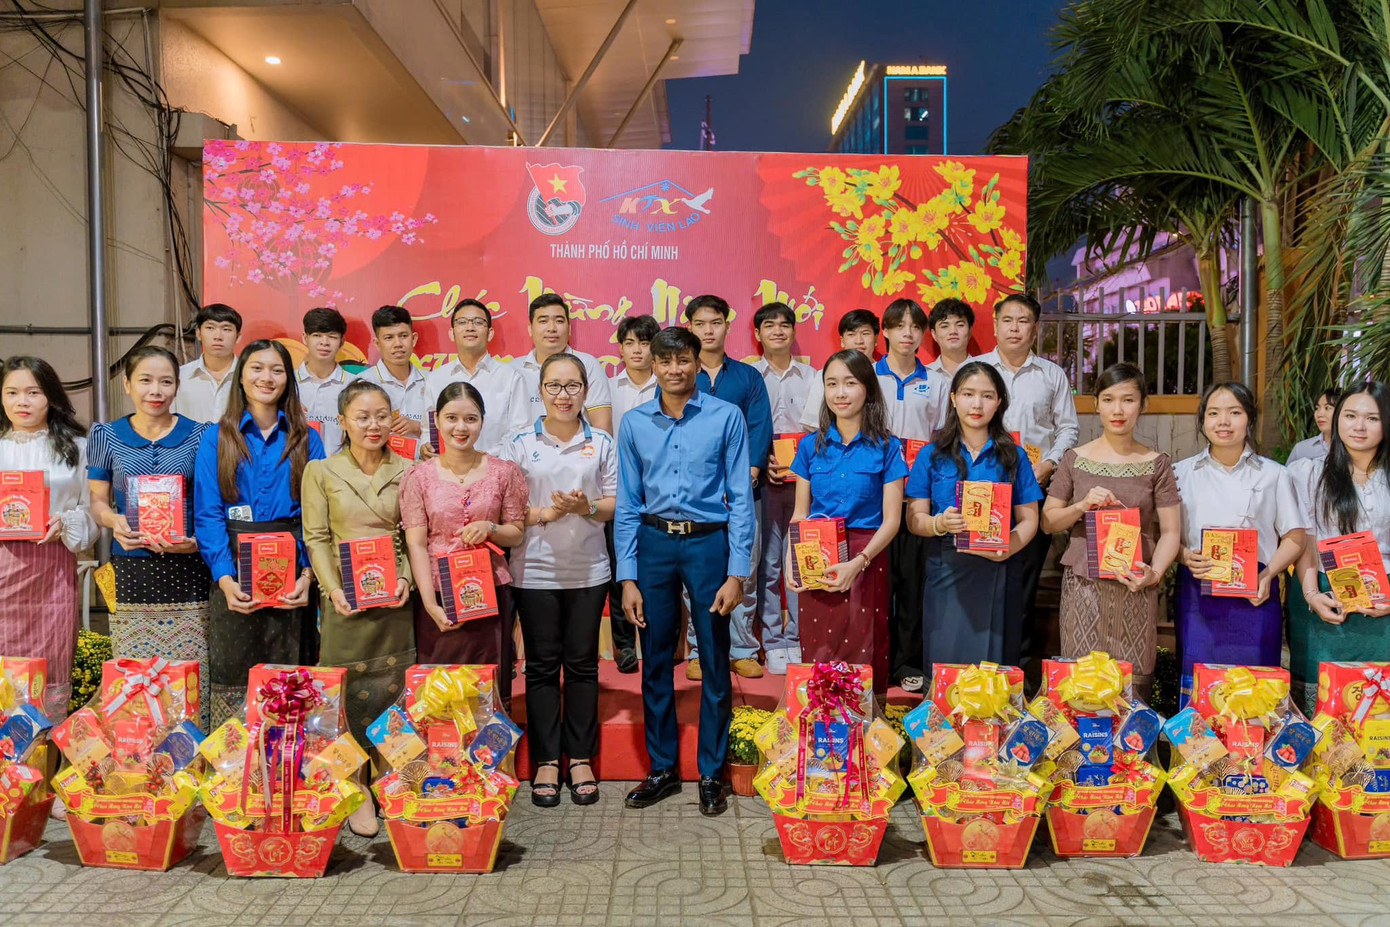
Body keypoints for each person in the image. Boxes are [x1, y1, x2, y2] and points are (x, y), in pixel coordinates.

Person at [616, 327, 754, 817]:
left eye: (684, 360)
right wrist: (627, 577)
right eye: (665, 360)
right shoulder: (633, 423)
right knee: (655, 659)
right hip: (653, 544)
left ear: (698, 363)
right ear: (651, 365)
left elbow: (741, 498)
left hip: (708, 544)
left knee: (714, 658)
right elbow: (628, 503)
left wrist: (738, 571)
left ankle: (711, 773)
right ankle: (662, 768)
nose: (675, 369)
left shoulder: (726, 416)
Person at [496, 353, 617, 808]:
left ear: (585, 391)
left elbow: (615, 503)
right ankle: (547, 760)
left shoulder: (601, 441)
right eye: (554, 386)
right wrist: (548, 512)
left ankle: (580, 758)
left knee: (583, 665)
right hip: (534, 570)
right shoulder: (518, 443)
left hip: (589, 569)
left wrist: (585, 507)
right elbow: (506, 509)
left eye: (572, 386)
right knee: (542, 667)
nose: (563, 395)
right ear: (541, 391)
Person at [301, 379, 413, 836]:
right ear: (342, 422)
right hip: (344, 599)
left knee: (394, 689)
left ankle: (392, 775)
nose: (373, 425)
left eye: (381, 416)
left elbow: (413, 535)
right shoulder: (322, 471)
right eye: (362, 417)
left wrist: (405, 577)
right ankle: (355, 783)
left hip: (394, 600)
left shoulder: (409, 470)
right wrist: (332, 590)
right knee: (343, 693)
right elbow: (316, 538)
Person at [194, 340, 325, 724]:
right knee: (234, 675)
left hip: (293, 575)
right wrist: (224, 577)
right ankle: (236, 756)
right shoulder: (217, 438)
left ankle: (289, 754)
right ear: (241, 376)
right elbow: (208, 514)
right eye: (257, 368)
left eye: (277, 370)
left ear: (288, 380)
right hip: (234, 572)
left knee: (291, 678)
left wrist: (307, 576)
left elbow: (317, 517)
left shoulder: (307, 438)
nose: (266, 378)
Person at [88, 347, 212, 727]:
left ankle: (191, 746)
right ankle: (137, 749)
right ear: (127, 384)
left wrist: (197, 541)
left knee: (190, 672)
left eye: (165, 381)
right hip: (131, 568)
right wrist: (113, 521)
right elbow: (97, 501)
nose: (155, 390)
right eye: (145, 380)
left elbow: (211, 502)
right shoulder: (105, 435)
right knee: (135, 672)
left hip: (188, 568)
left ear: (177, 386)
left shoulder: (202, 435)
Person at [1041, 363, 1181, 701]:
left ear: (1143, 405)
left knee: (1132, 684)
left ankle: (1131, 738)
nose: (1118, 410)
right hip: (1084, 588)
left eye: (1128, 400)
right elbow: (1048, 521)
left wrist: (1154, 574)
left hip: (1136, 586)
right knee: (1081, 682)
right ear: (1096, 405)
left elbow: (1171, 532)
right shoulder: (1074, 459)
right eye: (1108, 399)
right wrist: (1082, 505)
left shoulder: (1156, 463)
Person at [906, 362, 1044, 668]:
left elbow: (1030, 520)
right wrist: (939, 523)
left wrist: (1007, 547)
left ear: (999, 402)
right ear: (954, 398)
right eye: (968, 394)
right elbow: (914, 519)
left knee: (993, 665)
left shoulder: (1014, 455)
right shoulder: (931, 454)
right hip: (946, 568)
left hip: (999, 568)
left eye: (987, 395)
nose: (977, 404)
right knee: (946, 659)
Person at [1173, 382, 1306, 697]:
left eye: (1234, 412)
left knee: (1255, 687)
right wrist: (1183, 555)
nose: (1223, 422)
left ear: (1249, 419)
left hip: (1255, 592)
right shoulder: (1181, 473)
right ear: (1203, 420)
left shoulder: (1274, 474)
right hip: (1198, 591)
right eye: (1213, 413)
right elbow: (1164, 534)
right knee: (1201, 686)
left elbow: (1295, 537)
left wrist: (1268, 574)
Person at [401, 382, 527, 707]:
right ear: (437, 421)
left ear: (482, 421)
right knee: (438, 693)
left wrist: (491, 528)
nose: (461, 427)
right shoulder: (418, 477)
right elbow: (416, 545)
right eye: (451, 418)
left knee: (487, 688)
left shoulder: (503, 472)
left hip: (489, 593)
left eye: (471, 419)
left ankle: (491, 741)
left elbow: (516, 532)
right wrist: (430, 604)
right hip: (438, 595)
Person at [786, 350, 907, 690]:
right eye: (832, 384)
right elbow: (799, 514)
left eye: (850, 383)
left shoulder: (888, 447)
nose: (840, 393)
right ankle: (821, 719)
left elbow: (892, 520)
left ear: (867, 388)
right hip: (817, 554)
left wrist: (859, 562)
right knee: (818, 646)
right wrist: (791, 562)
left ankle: (863, 720)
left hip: (867, 557)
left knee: (863, 646)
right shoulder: (809, 446)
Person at [978, 293, 1080, 677]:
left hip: (1033, 487)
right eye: (1008, 320)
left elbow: (1068, 427)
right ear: (995, 325)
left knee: (1023, 581)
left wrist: (1049, 464)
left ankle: (1015, 672)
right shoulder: (975, 369)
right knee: (979, 577)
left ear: (1035, 329)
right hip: (982, 491)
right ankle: (977, 666)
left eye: (1023, 321)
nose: (1015, 328)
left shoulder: (1052, 375)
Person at [0, 357, 98, 714]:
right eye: (12, 393)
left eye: (33, 392)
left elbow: (94, 511)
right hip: (3, 567)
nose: (22, 402)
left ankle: (45, 744)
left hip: (53, 569)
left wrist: (66, 523)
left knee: (50, 659)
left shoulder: (79, 448)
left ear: (52, 397)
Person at [683, 294, 772, 681]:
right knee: (696, 574)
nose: (708, 330)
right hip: (694, 497)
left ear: (727, 326)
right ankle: (699, 650)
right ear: (689, 327)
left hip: (742, 495)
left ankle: (742, 648)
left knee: (744, 569)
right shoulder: (681, 376)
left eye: (715, 323)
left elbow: (760, 428)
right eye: (700, 323)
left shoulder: (748, 377)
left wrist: (746, 478)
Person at [1288, 381, 1390, 713]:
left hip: (1385, 601)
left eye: (1372, 418)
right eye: (1350, 416)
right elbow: (1306, 543)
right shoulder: (1308, 473)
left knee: (1378, 709)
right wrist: (1311, 595)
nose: (1359, 426)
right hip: (1329, 599)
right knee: (1328, 707)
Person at [872, 298, 949, 693]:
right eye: (899, 326)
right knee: (876, 585)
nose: (907, 333)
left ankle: (907, 661)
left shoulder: (937, 383)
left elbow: (940, 438)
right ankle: (875, 660)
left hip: (917, 500)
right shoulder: (868, 377)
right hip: (873, 498)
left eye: (915, 327)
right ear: (884, 331)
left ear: (924, 334)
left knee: (913, 584)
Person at [751, 302, 815, 675]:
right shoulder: (750, 376)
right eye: (769, 325)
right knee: (768, 561)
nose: (778, 330)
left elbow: (820, 427)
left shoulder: (813, 376)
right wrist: (763, 462)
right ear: (757, 333)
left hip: (806, 480)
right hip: (763, 478)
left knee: (801, 559)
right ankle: (774, 640)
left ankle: (798, 637)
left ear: (793, 331)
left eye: (785, 324)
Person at [606, 314, 661, 674]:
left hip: (660, 492)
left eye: (644, 342)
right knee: (619, 569)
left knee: (656, 571)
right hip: (617, 491)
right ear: (621, 348)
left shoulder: (668, 385)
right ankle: (624, 645)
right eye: (629, 343)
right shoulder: (607, 389)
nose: (637, 350)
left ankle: (657, 642)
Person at [423, 298, 531, 454]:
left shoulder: (510, 377)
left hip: (497, 464)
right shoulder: (436, 379)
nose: (470, 328)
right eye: (462, 322)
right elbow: (428, 430)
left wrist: (485, 457)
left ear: (490, 333)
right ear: (452, 333)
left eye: (478, 322)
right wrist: (426, 446)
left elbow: (519, 431)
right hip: (448, 466)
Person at [512, 293, 613, 434]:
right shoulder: (513, 370)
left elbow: (602, 427)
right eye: (543, 321)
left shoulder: (588, 364)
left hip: (579, 446)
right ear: (530, 328)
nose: (551, 328)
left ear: (569, 328)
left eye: (559, 321)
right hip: (523, 447)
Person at [355, 305, 430, 457]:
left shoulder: (432, 380)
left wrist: (418, 427)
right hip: (380, 466)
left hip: (425, 466)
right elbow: (355, 432)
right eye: (389, 338)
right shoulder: (364, 384)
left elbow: (448, 428)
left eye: (403, 336)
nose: (398, 344)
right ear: (377, 344)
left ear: (414, 338)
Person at [796, 308, 882, 429]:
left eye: (865, 333)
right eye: (851, 334)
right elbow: (814, 424)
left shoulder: (885, 375)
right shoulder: (825, 375)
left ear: (876, 339)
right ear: (842, 341)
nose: (859, 341)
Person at [297, 307, 356, 454]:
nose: (324, 342)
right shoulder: (287, 383)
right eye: (317, 335)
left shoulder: (354, 386)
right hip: (294, 465)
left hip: (338, 466)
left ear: (342, 341)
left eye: (332, 337)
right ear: (305, 338)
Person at [173, 303, 241, 423]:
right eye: (210, 328)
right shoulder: (179, 376)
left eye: (226, 329)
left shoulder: (248, 377)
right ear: (198, 333)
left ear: (238, 336)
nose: (218, 336)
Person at [1286, 386, 1342, 465]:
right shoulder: (1302, 449)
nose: (1319, 414)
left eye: (1327, 408)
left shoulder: (1354, 448)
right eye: (1317, 408)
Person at [925, 298, 976, 379]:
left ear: (970, 331)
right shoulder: (924, 376)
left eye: (960, 325)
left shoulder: (985, 372)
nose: (953, 331)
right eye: (944, 326)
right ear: (934, 334)